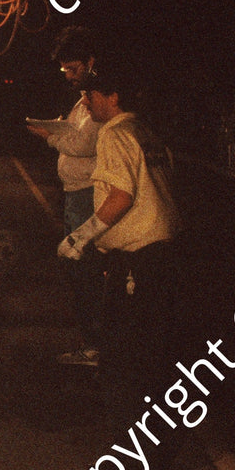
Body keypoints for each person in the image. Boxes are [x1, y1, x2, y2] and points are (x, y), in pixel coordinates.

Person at [57, 62, 179, 429]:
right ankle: (154, 434)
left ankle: (137, 442)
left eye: (91, 94)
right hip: (162, 254)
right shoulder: (144, 130)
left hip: (140, 260)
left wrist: (81, 236)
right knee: (151, 351)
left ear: (112, 97)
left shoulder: (113, 133)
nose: (86, 99)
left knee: (125, 354)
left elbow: (122, 195)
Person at [28, 26, 105, 367]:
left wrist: (50, 136)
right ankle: (95, 341)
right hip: (76, 193)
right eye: (65, 71)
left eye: (74, 69)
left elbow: (85, 143)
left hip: (87, 195)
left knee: (83, 266)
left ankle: (96, 345)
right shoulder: (83, 99)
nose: (70, 77)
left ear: (91, 62)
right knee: (79, 267)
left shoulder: (97, 99)